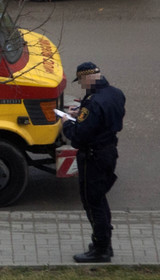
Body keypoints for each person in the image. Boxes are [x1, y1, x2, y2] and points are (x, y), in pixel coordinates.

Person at [63, 61, 126, 263]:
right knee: (100, 199)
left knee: (93, 202)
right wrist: (80, 114)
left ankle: (101, 249)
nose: (82, 85)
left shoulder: (93, 102)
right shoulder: (116, 93)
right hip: (108, 152)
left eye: (81, 81)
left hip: (93, 157)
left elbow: (78, 136)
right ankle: (103, 242)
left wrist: (67, 123)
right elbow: (102, 119)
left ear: (87, 77)